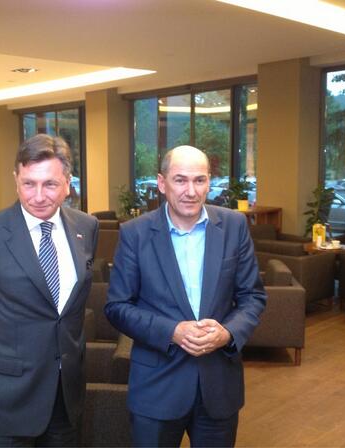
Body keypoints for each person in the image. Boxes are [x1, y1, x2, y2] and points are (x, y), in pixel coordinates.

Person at [105, 145, 266, 447]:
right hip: (156, 388)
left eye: (199, 180)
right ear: (162, 183)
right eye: (180, 180)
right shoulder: (135, 233)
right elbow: (117, 307)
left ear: (209, 182)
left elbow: (252, 297)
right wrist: (172, 331)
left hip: (218, 386)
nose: (191, 191)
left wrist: (227, 333)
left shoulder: (234, 226)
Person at [0, 133, 98, 447]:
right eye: (29, 183)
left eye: (50, 184)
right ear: (16, 180)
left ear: (68, 184)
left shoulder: (86, 227)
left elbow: (70, 312)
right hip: (2, 401)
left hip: (64, 397)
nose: (38, 196)